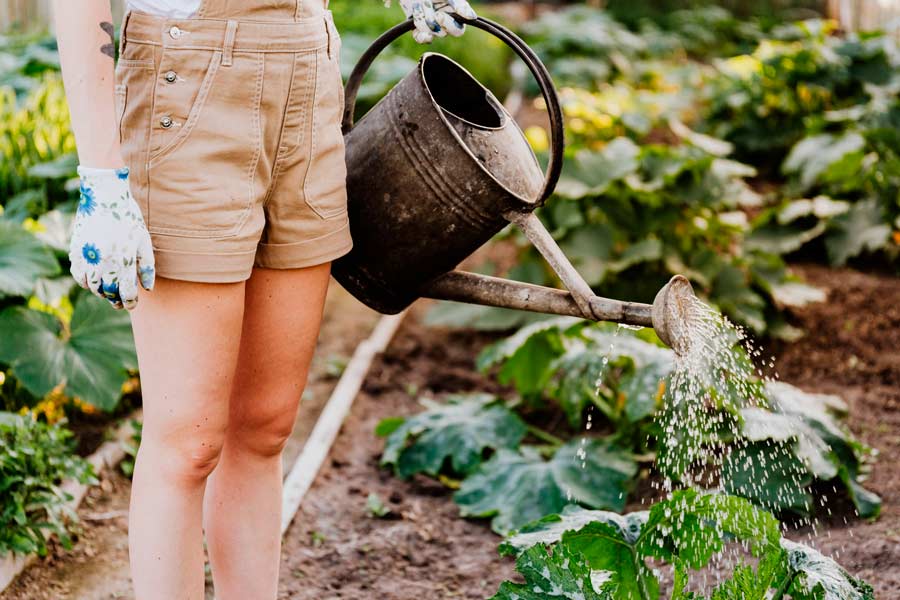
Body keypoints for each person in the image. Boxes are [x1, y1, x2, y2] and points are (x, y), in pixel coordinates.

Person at [52, 0, 477, 598]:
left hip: (308, 70)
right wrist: (100, 176)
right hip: (190, 80)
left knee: (265, 428)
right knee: (189, 442)